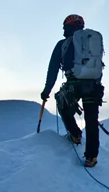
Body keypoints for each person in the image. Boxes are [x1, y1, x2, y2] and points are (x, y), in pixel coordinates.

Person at [41, 14, 105, 167]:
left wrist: (46, 91)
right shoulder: (91, 42)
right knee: (91, 120)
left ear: (68, 27)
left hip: (74, 84)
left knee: (62, 103)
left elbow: (53, 69)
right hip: (93, 86)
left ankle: (75, 134)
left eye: (65, 27)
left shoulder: (62, 44)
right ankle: (91, 157)